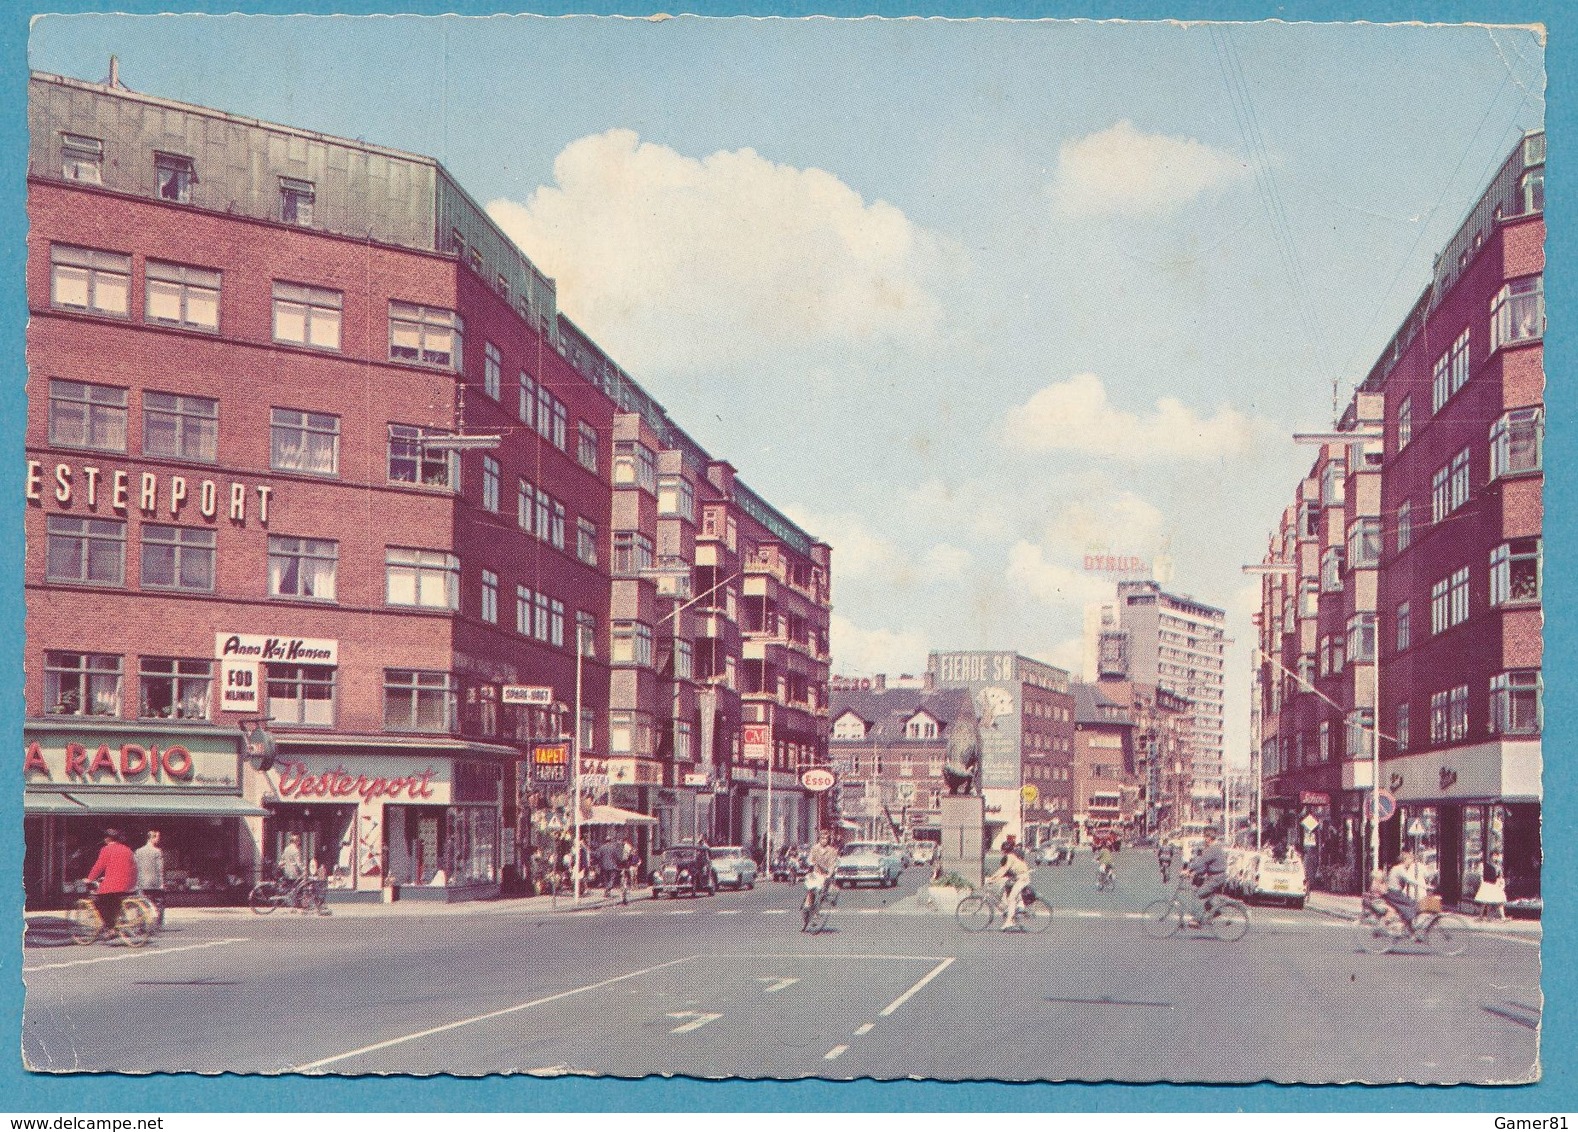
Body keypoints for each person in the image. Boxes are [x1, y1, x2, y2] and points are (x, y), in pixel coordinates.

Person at [84, 828, 137, 939]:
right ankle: (117, 924)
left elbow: (99, 866)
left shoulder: (106, 849)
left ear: (107, 839)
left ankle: (110, 928)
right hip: (128, 884)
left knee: (98, 901)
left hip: (114, 884)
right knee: (114, 902)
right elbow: (133, 868)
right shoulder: (127, 849)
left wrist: (89, 879)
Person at [987, 835, 1032, 930]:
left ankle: (1009, 922)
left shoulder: (1010, 857)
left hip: (1022, 878)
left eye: (1002, 849)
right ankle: (1015, 911)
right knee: (1008, 892)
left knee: (1011, 899)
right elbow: (1002, 869)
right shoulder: (1010, 856)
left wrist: (994, 879)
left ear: (1005, 850)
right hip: (1018, 877)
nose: (1001, 851)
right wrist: (992, 877)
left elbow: (1005, 870)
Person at [1184, 828, 1228, 923]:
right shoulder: (1215, 848)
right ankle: (1215, 912)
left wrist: (1188, 869)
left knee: (1198, 895)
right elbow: (1205, 866)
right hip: (1217, 877)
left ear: (1209, 838)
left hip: (1216, 878)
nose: (1204, 840)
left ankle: (1196, 920)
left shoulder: (1213, 849)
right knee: (1207, 896)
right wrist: (1195, 873)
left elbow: (1201, 861)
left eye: (1205, 837)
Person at [802, 831, 839, 926]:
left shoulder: (832, 851)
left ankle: (815, 914)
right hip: (815, 873)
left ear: (828, 840)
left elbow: (832, 864)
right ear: (819, 839)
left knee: (821, 894)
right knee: (810, 889)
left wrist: (829, 874)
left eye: (826, 838)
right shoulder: (815, 848)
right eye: (822, 838)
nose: (824, 840)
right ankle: (807, 907)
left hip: (824, 876)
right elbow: (810, 859)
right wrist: (810, 862)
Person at [133, 829, 166, 930]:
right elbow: (160, 869)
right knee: (158, 903)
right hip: (155, 883)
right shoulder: (157, 852)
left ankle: (141, 925)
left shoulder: (138, 851)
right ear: (152, 838)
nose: (158, 840)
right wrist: (162, 883)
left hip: (142, 882)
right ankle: (157, 925)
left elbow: (135, 867)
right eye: (157, 837)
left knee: (142, 904)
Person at [1384, 849, 1422, 935]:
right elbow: (1408, 879)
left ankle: (1409, 928)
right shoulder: (1400, 868)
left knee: (1409, 905)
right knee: (1412, 904)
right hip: (1395, 893)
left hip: (1393, 892)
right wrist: (1422, 885)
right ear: (1405, 860)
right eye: (1410, 859)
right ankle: (1408, 928)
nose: (1411, 862)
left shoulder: (1397, 868)